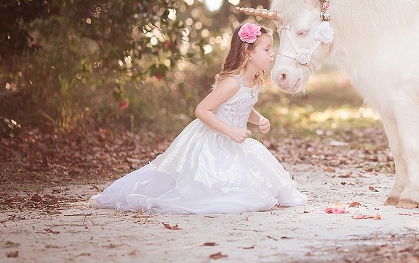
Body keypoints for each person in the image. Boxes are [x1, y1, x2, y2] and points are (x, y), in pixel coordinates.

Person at [91, 22, 307, 213]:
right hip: (213, 140)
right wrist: (231, 130)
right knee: (212, 186)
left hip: (234, 141)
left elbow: (242, 106)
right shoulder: (232, 82)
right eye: (267, 49)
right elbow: (202, 110)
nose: (272, 54)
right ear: (248, 53)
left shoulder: (252, 82)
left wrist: (259, 119)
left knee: (258, 177)